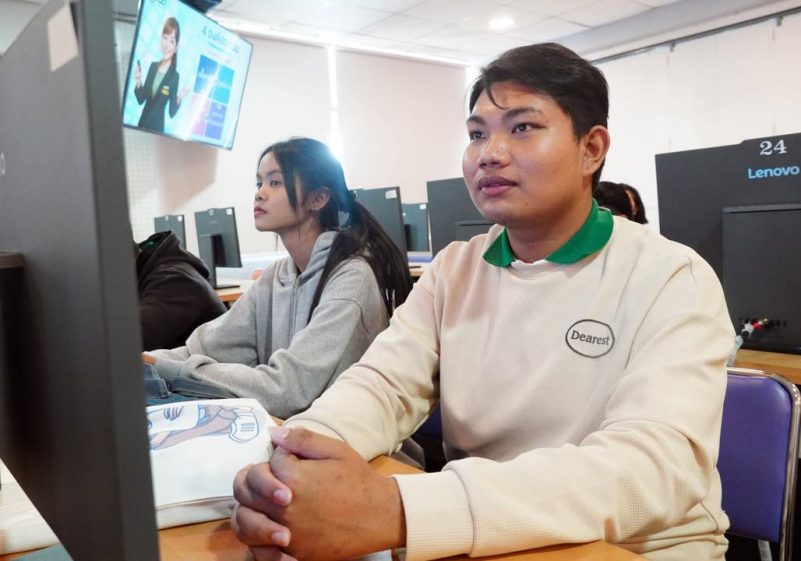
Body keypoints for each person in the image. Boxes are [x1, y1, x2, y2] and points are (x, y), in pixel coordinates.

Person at [230, 43, 733, 561]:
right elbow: (380, 386)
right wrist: (294, 461)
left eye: (522, 127)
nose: (489, 152)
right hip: (485, 540)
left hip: (634, 548)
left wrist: (401, 511)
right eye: (476, 134)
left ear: (592, 149)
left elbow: (652, 469)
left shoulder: (671, 275)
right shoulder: (454, 269)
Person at [143, 137, 412, 419]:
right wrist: (148, 362)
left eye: (275, 182)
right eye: (259, 183)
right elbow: (204, 347)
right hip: (291, 430)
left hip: (349, 437)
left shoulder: (352, 278)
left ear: (318, 198)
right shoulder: (275, 276)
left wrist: (171, 369)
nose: (260, 194)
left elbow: (287, 390)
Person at [135, 229, 227, 351]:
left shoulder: (175, 282)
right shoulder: (144, 273)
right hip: (180, 361)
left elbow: (128, 342)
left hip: (208, 362)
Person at [133, 16, 188, 133]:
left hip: (157, 131)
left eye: (171, 41)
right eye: (165, 37)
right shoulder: (153, 67)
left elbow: (171, 112)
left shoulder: (174, 76)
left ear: (176, 47)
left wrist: (179, 98)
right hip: (142, 125)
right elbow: (141, 99)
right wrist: (138, 82)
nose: (166, 44)